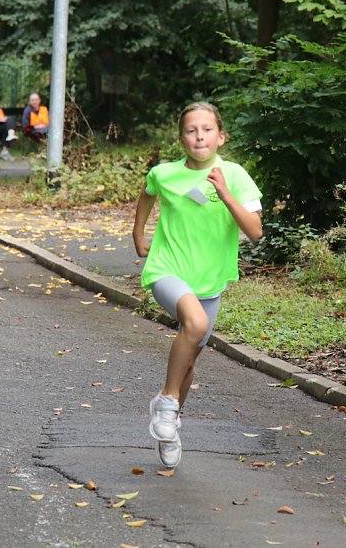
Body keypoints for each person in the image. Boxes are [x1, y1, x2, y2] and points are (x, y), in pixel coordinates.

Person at [132, 102, 263, 468]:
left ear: (221, 137)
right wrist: (137, 233)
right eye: (191, 130)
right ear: (181, 139)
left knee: (190, 358)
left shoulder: (235, 175)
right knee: (197, 325)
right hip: (166, 268)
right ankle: (168, 402)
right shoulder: (165, 173)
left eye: (206, 129)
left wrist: (224, 193)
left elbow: (254, 232)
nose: (199, 135)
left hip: (211, 279)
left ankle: (170, 423)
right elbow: (147, 194)